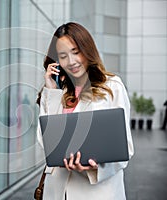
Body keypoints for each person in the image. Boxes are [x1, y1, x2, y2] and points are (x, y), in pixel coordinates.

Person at [36, 22, 134, 199]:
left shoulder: (112, 86)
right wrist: (50, 90)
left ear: (87, 50)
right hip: (58, 191)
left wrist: (95, 167)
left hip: (96, 192)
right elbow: (46, 143)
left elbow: (125, 149)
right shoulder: (59, 93)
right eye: (63, 56)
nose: (71, 61)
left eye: (76, 52)